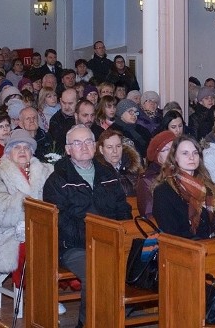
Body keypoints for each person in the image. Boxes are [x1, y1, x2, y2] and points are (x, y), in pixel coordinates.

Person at [43, 124, 132, 328]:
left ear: (95, 146)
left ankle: (112, 318)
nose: (84, 147)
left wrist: (118, 234)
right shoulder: (58, 180)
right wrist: (94, 239)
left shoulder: (108, 174)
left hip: (111, 241)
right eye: (77, 142)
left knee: (139, 267)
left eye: (88, 142)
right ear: (68, 149)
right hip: (74, 246)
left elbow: (122, 208)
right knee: (96, 271)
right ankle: (86, 323)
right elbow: (61, 222)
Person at [0, 132, 53, 289]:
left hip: (45, 227)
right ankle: (39, 291)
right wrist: (25, 207)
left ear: (32, 152)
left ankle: (50, 294)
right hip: (9, 231)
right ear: (8, 152)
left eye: (26, 147)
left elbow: (55, 201)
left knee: (62, 247)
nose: (22, 151)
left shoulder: (47, 171)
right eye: (17, 147)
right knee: (32, 247)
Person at [153, 136, 215, 240]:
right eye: (185, 153)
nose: (191, 157)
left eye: (195, 153)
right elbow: (170, 231)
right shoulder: (163, 191)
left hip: (212, 245)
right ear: (174, 157)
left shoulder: (210, 187)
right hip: (184, 248)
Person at [94, 128, 143, 197]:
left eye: (118, 146)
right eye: (109, 147)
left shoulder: (134, 168)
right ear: (101, 150)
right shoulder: (95, 171)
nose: (115, 151)